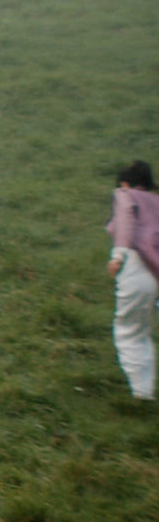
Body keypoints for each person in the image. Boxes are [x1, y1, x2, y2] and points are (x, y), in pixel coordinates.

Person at [106, 160, 158, 401]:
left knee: (131, 330)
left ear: (125, 181)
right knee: (142, 330)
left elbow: (126, 222)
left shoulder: (125, 195)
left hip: (137, 267)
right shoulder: (157, 201)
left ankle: (141, 391)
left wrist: (117, 256)